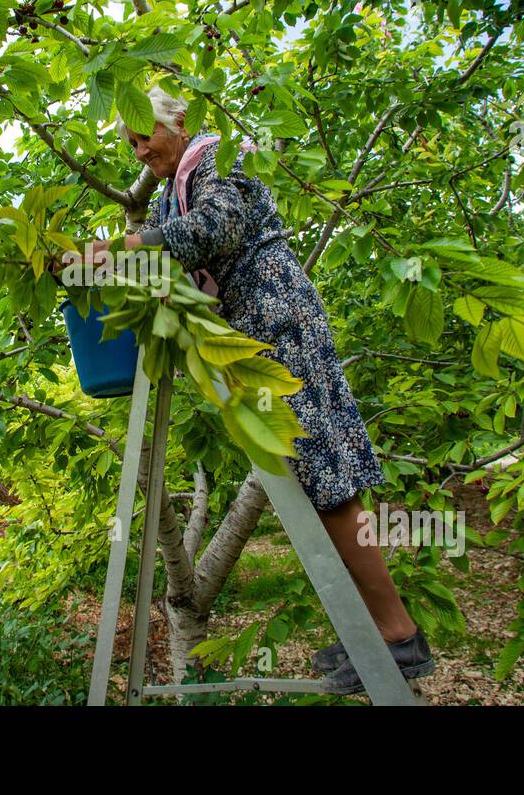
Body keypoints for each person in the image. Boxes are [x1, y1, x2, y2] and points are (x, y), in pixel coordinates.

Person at [97, 87, 435, 694]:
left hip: (280, 328)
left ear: (179, 121)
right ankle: (379, 628)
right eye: (130, 144)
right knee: (316, 487)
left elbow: (217, 229)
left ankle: (396, 634)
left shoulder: (216, 163)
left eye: (145, 134)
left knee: (327, 485)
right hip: (259, 342)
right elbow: (177, 256)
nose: (140, 149)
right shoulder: (179, 190)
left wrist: (123, 247)